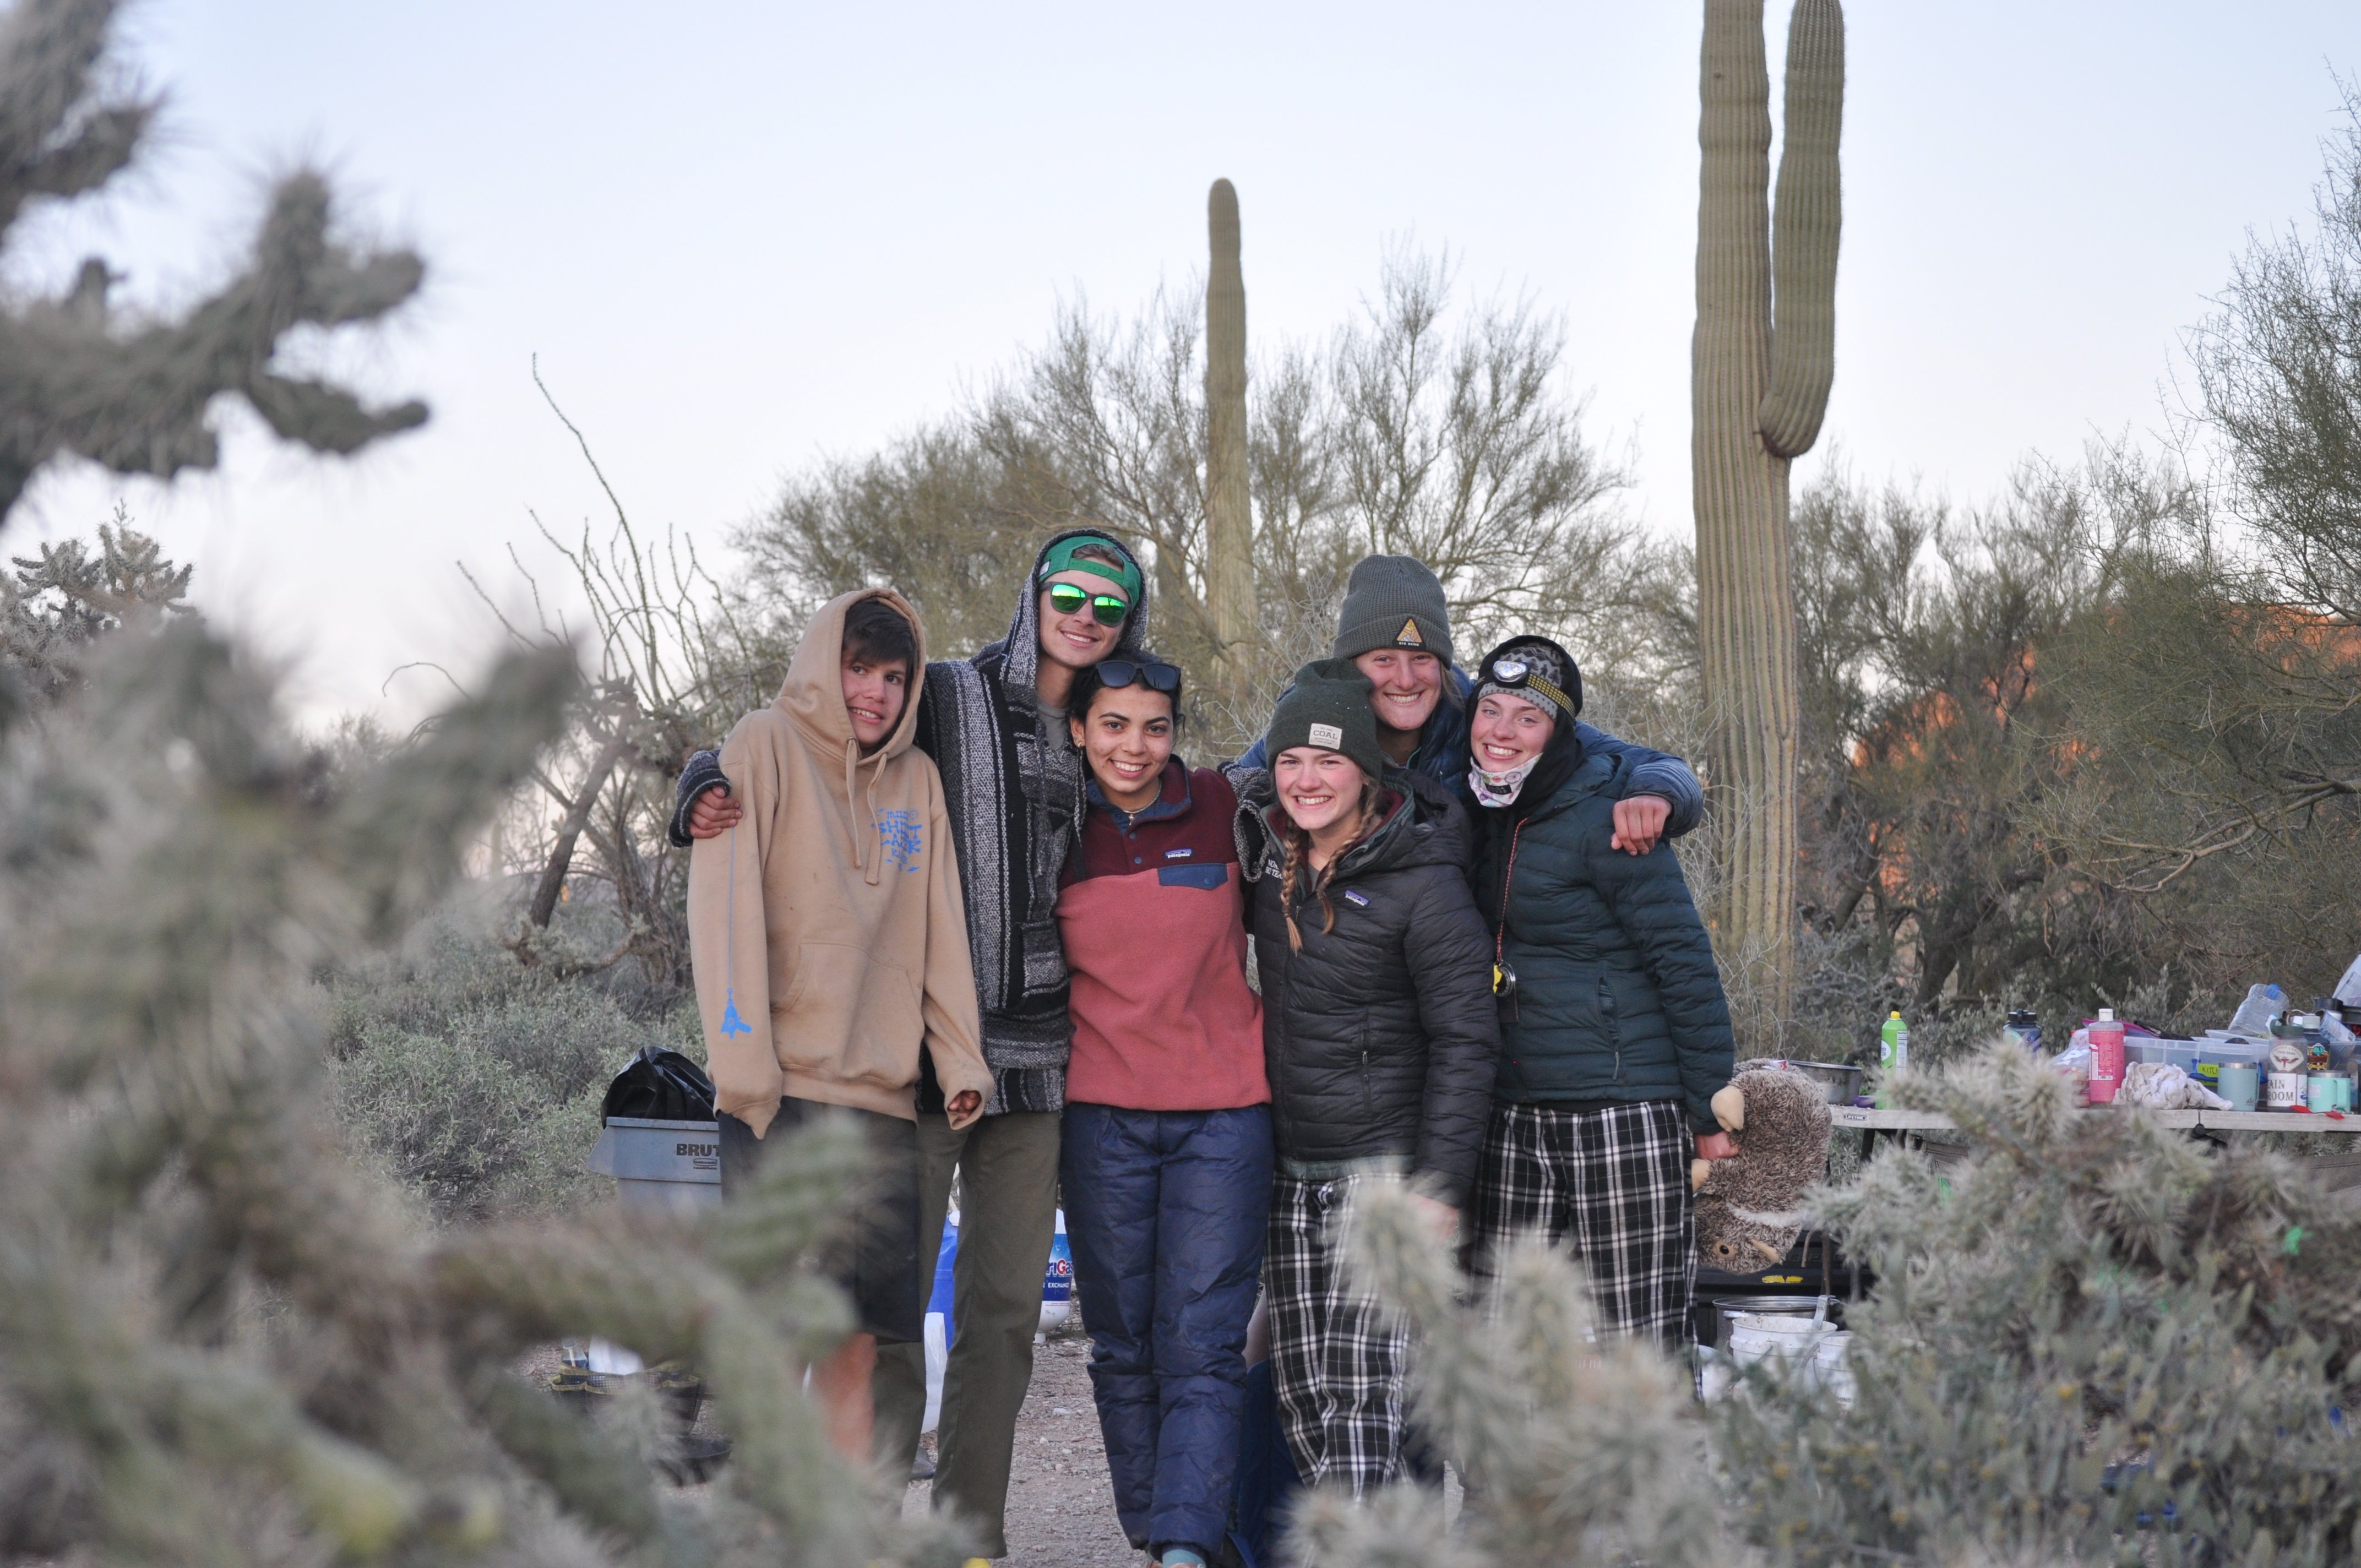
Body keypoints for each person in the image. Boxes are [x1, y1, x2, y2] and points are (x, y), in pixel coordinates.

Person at [673, 529, 1150, 1558]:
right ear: (1034, 595)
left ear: (1126, 623)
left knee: (998, 1316)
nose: (1086, 614)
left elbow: (1219, 793)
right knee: (855, 1326)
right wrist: (698, 783)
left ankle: (966, 1537)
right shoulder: (946, 689)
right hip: (893, 1072)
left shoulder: (1114, 728)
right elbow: (802, 713)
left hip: (1023, 1062)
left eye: (1108, 605)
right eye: (1068, 592)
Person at [686, 589, 993, 1460]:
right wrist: (742, 1067)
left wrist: (960, 1056)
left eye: (895, 677)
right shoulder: (762, 747)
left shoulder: (917, 781)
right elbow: (724, 911)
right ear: (828, 663)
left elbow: (936, 929)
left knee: (855, 1344)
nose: (876, 693)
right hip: (777, 1098)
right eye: (860, 668)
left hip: (885, 1107)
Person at [1231, 658, 1499, 1496]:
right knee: (1309, 1403)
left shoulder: (1425, 883)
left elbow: (1467, 1039)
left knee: (1365, 1408)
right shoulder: (1265, 868)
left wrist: (1441, 1185)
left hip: (1383, 1184)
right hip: (1292, 1174)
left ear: (1366, 771)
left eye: (1330, 761)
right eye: (1290, 763)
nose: (1308, 781)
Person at [1459, 635, 1737, 1349]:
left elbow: (1683, 960)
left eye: (1528, 717)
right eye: (1491, 710)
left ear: (1560, 733)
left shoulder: (1612, 814)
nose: (1502, 731)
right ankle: (1514, 1469)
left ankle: (1652, 1468)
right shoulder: (1474, 812)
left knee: (1638, 1347)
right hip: (1512, 1115)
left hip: (1620, 1116)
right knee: (1499, 1345)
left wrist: (1709, 1108)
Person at [1054, 655, 1270, 1568]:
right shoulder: (1048, 827)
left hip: (1223, 1115)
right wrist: (714, 776)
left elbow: (1336, 746)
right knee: (1122, 1342)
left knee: (1204, 1340)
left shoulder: (1227, 804)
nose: (1133, 747)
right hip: (1100, 1116)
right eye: (1112, 724)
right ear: (1078, 729)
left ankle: (1183, 1545)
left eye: (1153, 726)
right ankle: (1160, 1531)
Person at [1233, 553, 1701, 857]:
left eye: (1423, 659)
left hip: (1458, 957)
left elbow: (1660, 766)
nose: (1405, 679)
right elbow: (1236, 786)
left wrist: (1654, 795)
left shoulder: (1481, 720)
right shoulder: (1311, 719)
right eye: (1383, 660)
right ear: (1351, 664)